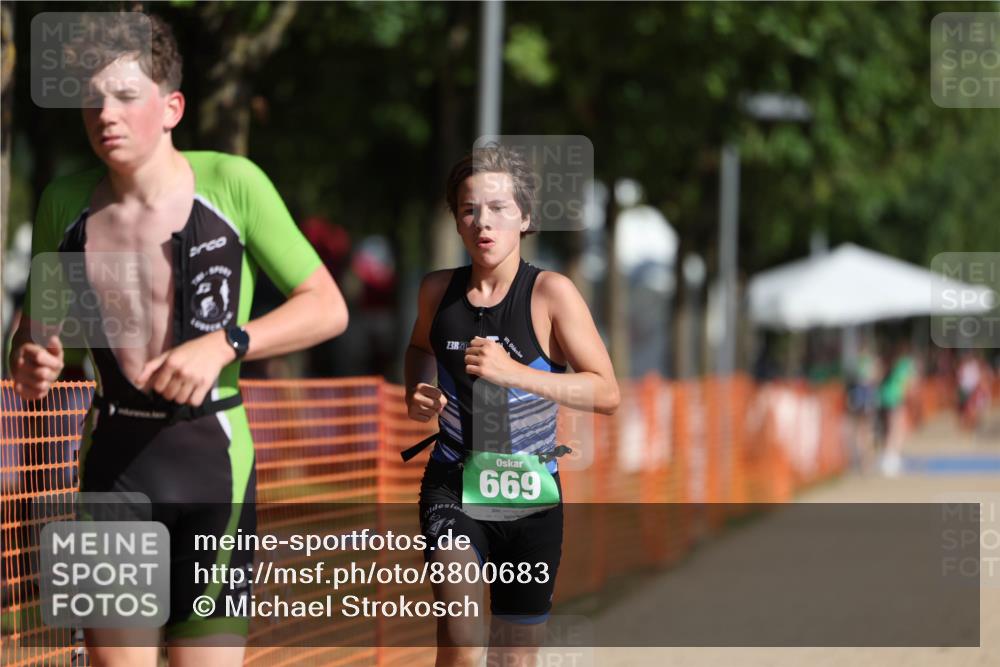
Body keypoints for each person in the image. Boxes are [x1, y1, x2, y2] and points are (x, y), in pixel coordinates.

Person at [7, 12, 348, 667]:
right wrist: (33, 362)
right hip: (111, 465)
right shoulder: (63, 201)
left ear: (171, 107)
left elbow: (327, 308)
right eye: (92, 98)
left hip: (214, 461)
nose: (105, 113)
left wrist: (226, 341)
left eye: (126, 96)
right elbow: (34, 343)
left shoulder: (232, 183)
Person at [403, 145, 619, 667]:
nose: (483, 222)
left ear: (525, 218)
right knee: (463, 632)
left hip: (531, 494)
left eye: (499, 209)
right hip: (453, 480)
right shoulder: (437, 292)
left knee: (515, 657)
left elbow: (606, 392)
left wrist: (514, 373)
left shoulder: (551, 294)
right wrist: (419, 387)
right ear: (456, 220)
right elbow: (418, 350)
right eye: (469, 209)